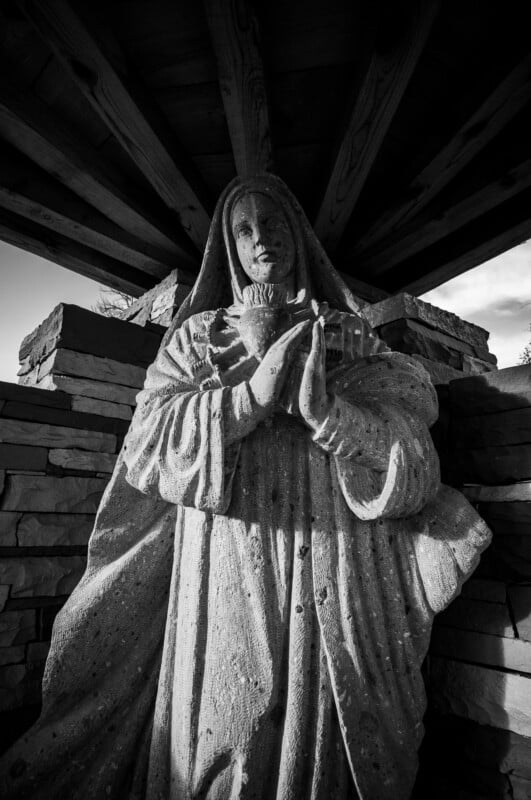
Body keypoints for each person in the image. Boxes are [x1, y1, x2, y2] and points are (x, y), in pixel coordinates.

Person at [0, 175, 491, 800]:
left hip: (332, 557)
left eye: (276, 223)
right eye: (245, 228)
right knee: (230, 726)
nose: (264, 239)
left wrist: (330, 416)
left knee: (320, 748)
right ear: (229, 248)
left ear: (299, 236)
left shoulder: (347, 333)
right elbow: (148, 442)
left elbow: (414, 454)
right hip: (227, 562)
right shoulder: (195, 338)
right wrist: (246, 400)